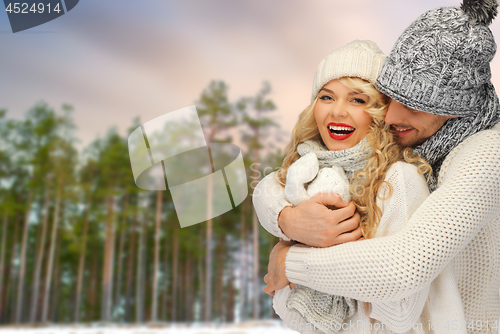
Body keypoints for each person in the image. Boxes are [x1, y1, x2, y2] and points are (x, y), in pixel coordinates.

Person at [256, 0, 500, 332]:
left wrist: (290, 261)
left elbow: (405, 265)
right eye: (389, 98)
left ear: (454, 109)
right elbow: (275, 181)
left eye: (414, 106)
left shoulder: (486, 155)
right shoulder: (415, 142)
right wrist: (286, 218)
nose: (391, 116)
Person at [254, 40, 444, 333]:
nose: (337, 112)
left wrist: (289, 258)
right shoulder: (309, 170)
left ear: (381, 112)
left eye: (358, 100)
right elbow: (287, 307)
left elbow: (400, 313)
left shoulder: (399, 181)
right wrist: (287, 221)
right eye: (327, 97)